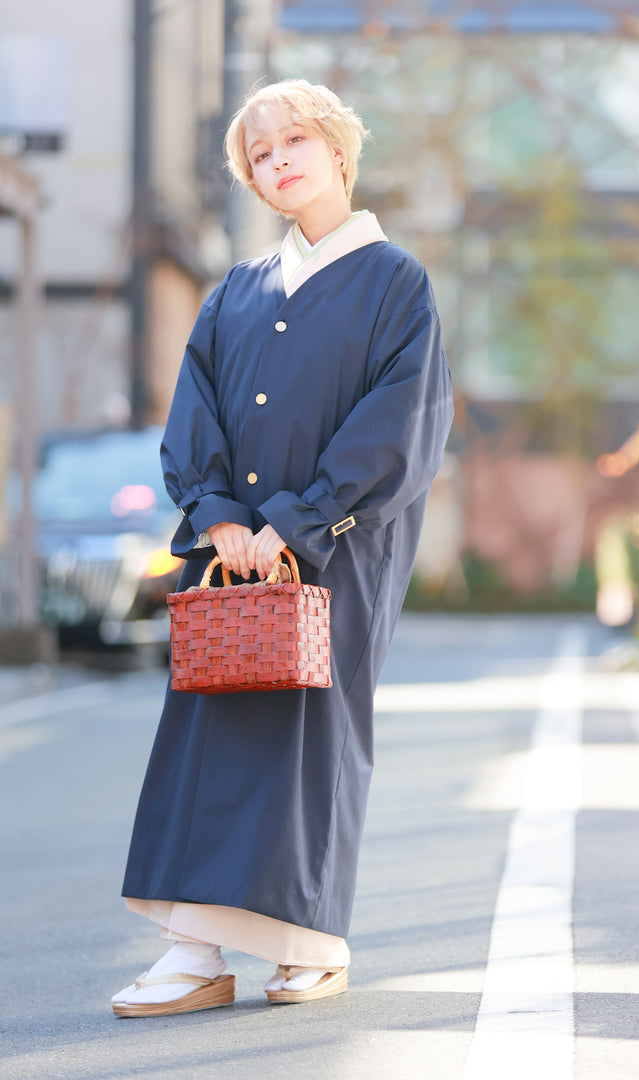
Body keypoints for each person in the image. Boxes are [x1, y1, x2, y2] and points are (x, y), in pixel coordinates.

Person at [112, 78, 454, 1018]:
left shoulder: (395, 283)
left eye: (293, 140)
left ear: (337, 149)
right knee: (207, 735)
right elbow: (195, 410)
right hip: (228, 557)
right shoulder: (236, 289)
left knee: (311, 739)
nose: (279, 162)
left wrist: (296, 525)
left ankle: (311, 944)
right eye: (259, 156)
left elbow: (400, 425)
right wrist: (219, 513)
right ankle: (193, 951)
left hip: (335, 555)